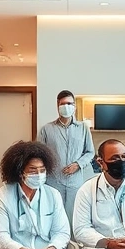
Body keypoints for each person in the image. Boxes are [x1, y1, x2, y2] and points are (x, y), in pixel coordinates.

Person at [36, 90, 95, 220]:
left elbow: (90, 152)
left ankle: (73, 240)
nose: (66, 106)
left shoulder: (83, 128)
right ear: (58, 106)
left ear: (74, 106)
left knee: (74, 215)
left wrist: (78, 165)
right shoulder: (47, 129)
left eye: (70, 103)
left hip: (75, 182)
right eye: (63, 104)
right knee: (54, 215)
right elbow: (38, 154)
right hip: (53, 181)